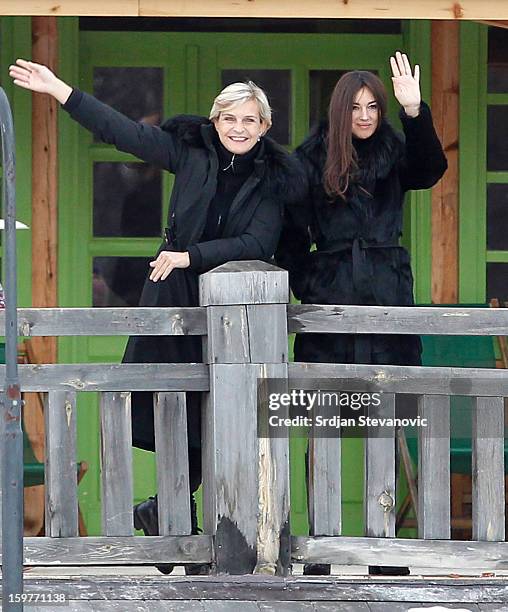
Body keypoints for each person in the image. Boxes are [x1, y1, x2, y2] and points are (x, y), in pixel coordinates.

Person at [10, 59, 304, 574]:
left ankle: (174, 518)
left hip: (235, 309)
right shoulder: (188, 152)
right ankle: (174, 522)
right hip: (172, 297)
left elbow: (258, 241)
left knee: (223, 414)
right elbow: (121, 132)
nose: (239, 129)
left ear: (265, 127)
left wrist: (191, 256)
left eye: (250, 120)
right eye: (230, 118)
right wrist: (59, 90)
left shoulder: (274, 178)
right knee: (171, 406)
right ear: (215, 121)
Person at [276, 52, 447, 575]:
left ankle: (385, 547)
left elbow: (431, 169)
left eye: (375, 106)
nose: (367, 116)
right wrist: (313, 279)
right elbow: (289, 237)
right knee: (321, 423)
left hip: (387, 298)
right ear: (339, 111)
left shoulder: (396, 151)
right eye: (357, 107)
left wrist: (415, 111)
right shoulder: (309, 160)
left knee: (387, 421)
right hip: (329, 303)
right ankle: (320, 546)